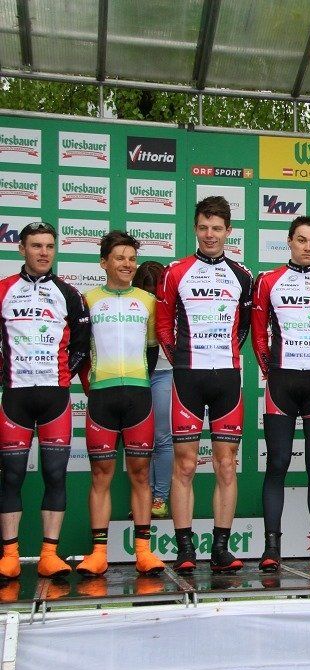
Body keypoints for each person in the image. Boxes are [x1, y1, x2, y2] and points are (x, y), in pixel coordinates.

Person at [156, 196, 253, 574]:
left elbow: (244, 326)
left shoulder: (242, 275)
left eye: (217, 228)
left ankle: (221, 548)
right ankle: (184, 549)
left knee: (226, 465)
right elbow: (164, 324)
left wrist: (225, 353)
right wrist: (180, 358)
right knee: (184, 465)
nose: (210, 235)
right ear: (195, 229)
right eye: (203, 228)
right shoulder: (175, 272)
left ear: (228, 231)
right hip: (188, 377)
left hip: (227, 377)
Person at [252, 216, 310, 571]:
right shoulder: (268, 281)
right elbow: (258, 333)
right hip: (281, 383)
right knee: (277, 464)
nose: (307, 247)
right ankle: (271, 548)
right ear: (289, 241)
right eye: (301, 240)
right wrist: (270, 370)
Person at [0, 221, 90, 579]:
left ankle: (49, 554)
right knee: (11, 476)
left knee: (55, 474)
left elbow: (82, 345)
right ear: (22, 248)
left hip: (55, 397)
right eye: (36, 246)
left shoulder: (68, 293)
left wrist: (64, 375)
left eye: (49, 246)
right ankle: (9, 555)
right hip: (15, 397)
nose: (43, 252)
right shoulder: (4, 289)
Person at [75, 231, 165, 576]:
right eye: (119, 258)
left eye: (131, 258)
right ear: (104, 262)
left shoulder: (147, 301)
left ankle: (144, 551)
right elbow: (80, 352)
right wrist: (94, 385)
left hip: (138, 396)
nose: (127, 264)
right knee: (101, 475)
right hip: (102, 396)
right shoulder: (88, 300)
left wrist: (139, 381)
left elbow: (153, 350)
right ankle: (98, 553)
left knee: (140, 474)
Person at [133, 261, 172, 519]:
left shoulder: (173, 303)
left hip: (165, 372)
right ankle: (142, 498)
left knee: (162, 437)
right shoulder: (131, 304)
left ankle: (160, 498)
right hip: (135, 373)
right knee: (138, 441)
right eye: (145, 293)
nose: (151, 299)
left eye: (155, 294)